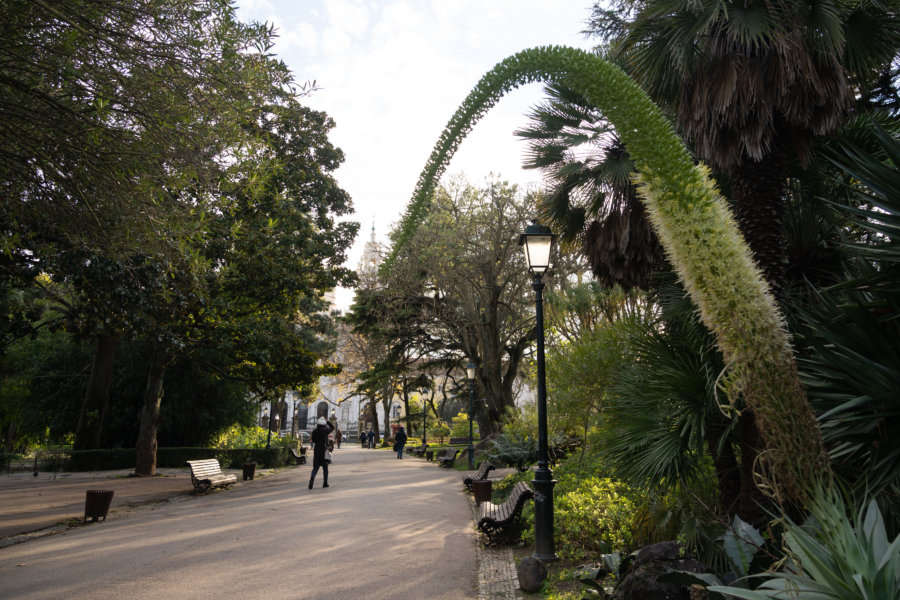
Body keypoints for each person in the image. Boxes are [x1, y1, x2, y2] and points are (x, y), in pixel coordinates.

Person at [309, 416, 335, 489]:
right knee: (325, 468)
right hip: (324, 451)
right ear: (324, 424)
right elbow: (333, 427)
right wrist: (327, 421)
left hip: (317, 450)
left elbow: (313, 440)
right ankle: (325, 483)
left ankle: (311, 480)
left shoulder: (314, 431)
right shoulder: (325, 430)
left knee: (315, 468)